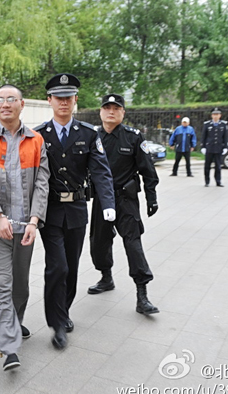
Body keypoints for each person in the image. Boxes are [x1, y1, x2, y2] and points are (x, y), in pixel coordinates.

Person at [0, 84, 49, 371]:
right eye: (0, 99)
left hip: (25, 228)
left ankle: (13, 323)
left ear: (21, 104)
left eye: (11, 99)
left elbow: (42, 183)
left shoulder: (36, 140)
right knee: (1, 285)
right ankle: (9, 347)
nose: (5, 104)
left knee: (20, 286)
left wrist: (34, 221)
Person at [34, 73, 115, 350]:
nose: (64, 102)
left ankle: (64, 310)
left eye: (68, 97)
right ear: (50, 100)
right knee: (57, 266)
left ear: (75, 100)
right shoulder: (38, 135)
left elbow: (101, 172)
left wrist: (109, 204)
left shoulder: (88, 134)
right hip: (50, 210)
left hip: (78, 209)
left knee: (71, 267)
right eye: (58, 98)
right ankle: (57, 323)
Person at [87, 94, 159, 315]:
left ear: (123, 112)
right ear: (100, 111)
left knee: (133, 243)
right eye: (107, 107)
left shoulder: (133, 137)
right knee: (99, 242)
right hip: (101, 200)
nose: (111, 111)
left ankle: (142, 295)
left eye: (116, 108)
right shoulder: (92, 136)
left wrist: (151, 198)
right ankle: (106, 278)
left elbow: (148, 170)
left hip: (126, 199)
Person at [201, 107, 228, 187]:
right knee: (207, 166)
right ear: (211, 115)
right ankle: (207, 181)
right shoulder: (207, 124)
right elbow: (204, 136)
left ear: (220, 115)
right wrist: (203, 146)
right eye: (214, 114)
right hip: (209, 148)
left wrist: (225, 147)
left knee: (218, 166)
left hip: (218, 148)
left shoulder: (223, 124)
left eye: (217, 114)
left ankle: (218, 181)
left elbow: (225, 137)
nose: (215, 116)